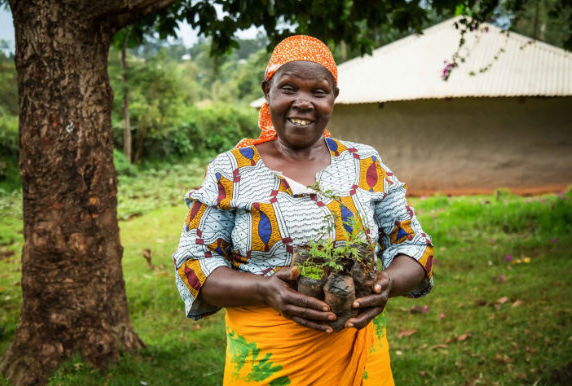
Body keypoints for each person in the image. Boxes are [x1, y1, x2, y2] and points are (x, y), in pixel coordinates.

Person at [173, 35, 434, 386]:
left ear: (333, 98)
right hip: (267, 360)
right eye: (289, 88)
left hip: (358, 357)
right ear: (268, 91)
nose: (303, 103)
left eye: (318, 91)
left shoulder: (363, 164)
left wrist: (388, 283)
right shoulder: (232, 171)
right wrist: (265, 289)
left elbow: (415, 245)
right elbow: (193, 263)